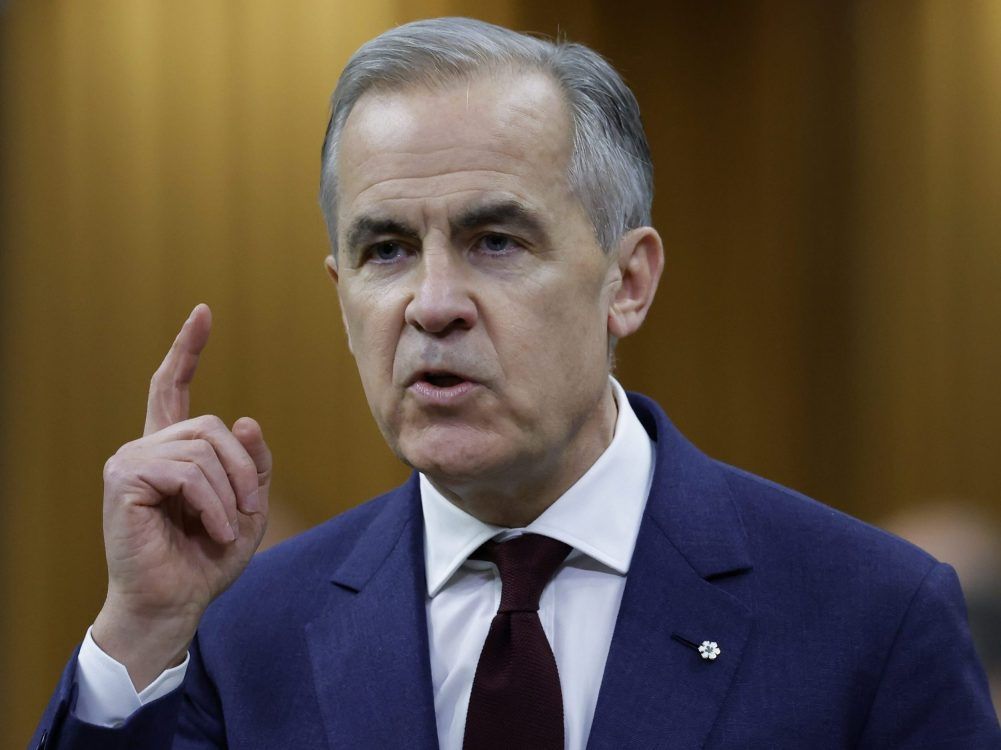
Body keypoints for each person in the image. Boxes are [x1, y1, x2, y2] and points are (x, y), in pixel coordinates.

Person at [30, 17, 1000, 750]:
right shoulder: (248, 633)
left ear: (626, 282)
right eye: (385, 250)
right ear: (341, 296)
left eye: (494, 241)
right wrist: (142, 632)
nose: (431, 304)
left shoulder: (865, 616)